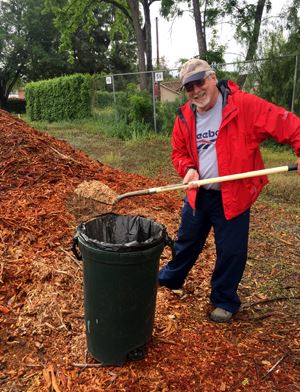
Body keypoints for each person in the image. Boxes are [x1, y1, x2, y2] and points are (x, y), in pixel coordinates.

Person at [158, 58, 300, 323]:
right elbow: (178, 152)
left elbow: (287, 123)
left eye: (199, 82)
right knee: (186, 242)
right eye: (189, 87)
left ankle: (224, 299)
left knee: (232, 251)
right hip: (199, 194)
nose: (195, 91)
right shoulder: (185, 117)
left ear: (212, 77)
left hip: (232, 195)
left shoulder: (243, 105)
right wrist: (187, 168)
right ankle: (170, 280)